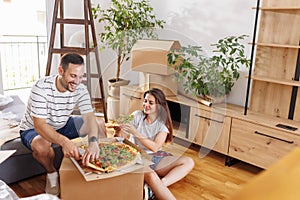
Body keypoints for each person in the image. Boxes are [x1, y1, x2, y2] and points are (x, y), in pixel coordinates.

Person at [19, 53, 106, 196]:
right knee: (41, 145)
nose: (77, 81)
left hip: (63, 123)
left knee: (99, 123)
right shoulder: (41, 88)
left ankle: (99, 166)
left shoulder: (80, 88)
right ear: (61, 71)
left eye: (80, 76)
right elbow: (39, 125)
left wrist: (93, 141)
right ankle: (52, 173)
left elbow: (89, 118)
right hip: (33, 129)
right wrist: (64, 142)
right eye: (73, 76)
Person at [115, 88, 194, 200]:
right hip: (135, 156)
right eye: (145, 101)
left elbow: (155, 147)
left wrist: (136, 132)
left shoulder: (162, 125)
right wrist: (119, 129)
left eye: (150, 103)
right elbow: (120, 137)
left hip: (154, 157)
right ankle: (156, 186)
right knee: (151, 176)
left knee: (188, 162)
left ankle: (158, 186)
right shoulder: (136, 115)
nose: (146, 104)